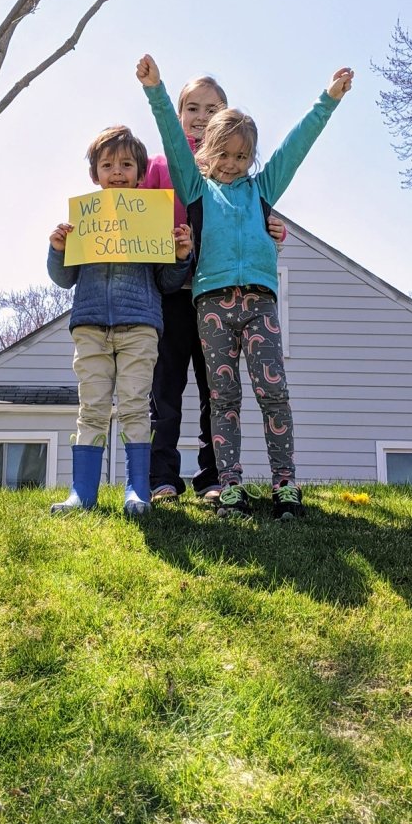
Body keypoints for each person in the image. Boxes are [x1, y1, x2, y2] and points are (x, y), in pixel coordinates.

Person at [136, 55, 353, 520]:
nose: (232, 164)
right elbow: (172, 139)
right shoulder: (194, 188)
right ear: (206, 150)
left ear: (250, 157)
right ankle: (224, 484)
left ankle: (283, 484)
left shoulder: (261, 189)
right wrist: (156, 89)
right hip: (206, 303)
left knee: (272, 393)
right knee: (221, 396)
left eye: (241, 156)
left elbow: (296, 147)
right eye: (223, 154)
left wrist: (328, 100)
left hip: (259, 304)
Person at [141, 74, 287, 504]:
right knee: (164, 388)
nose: (201, 117)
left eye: (212, 109)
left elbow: (250, 217)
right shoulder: (163, 165)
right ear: (180, 113)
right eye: (193, 109)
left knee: (214, 390)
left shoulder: (230, 167)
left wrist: (272, 228)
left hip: (216, 294)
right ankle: (162, 476)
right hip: (171, 288)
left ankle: (212, 477)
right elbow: (136, 219)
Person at [47, 124, 193, 517]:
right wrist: (58, 249)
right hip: (91, 325)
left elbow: (166, 281)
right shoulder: (83, 221)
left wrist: (180, 256)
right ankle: (83, 493)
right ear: (94, 174)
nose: (117, 172)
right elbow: (63, 279)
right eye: (107, 164)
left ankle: (137, 490)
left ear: (141, 174)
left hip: (140, 327)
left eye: (126, 164)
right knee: (91, 406)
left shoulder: (151, 220)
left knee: (133, 406)